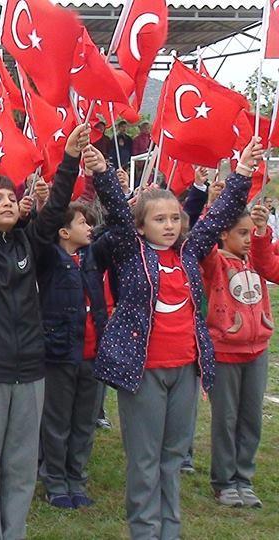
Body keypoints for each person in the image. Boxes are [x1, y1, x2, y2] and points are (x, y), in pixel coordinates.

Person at [86, 136, 259, 540]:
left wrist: (244, 173)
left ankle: (170, 531)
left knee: (172, 457)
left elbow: (217, 217)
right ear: (142, 225)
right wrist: (99, 169)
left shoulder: (187, 253)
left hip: (185, 371)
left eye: (174, 219)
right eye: (159, 219)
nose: (169, 226)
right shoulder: (130, 252)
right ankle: (146, 531)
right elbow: (114, 207)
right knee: (145, 460)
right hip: (143, 372)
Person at [0, 119, 88, 540]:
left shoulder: (28, 244)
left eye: (11, 197)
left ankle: (13, 532)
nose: (8, 203)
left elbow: (55, 211)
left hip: (31, 372)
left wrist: (68, 158)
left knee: (19, 463)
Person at [201, 204, 277, 508]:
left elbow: (269, 264)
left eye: (250, 233)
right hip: (225, 352)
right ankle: (224, 481)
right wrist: (215, 208)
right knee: (226, 418)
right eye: (241, 233)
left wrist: (261, 233)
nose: (247, 239)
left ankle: (244, 479)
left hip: (257, 351)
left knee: (251, 419)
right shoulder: (215, 263)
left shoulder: (256, 261)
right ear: (223, 234)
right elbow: (203, 246)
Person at [36, 202, 110, 510]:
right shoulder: (51, 259)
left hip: (92, 356)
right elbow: (42, 230)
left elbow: (115, 228)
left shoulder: (93, 257)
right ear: (64, 232)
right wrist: (43, 202)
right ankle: (54, 479)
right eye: (83, 223)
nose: (90, 228)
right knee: (57, 421)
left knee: (84, 422)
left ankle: (76, 478)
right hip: (60, 354)